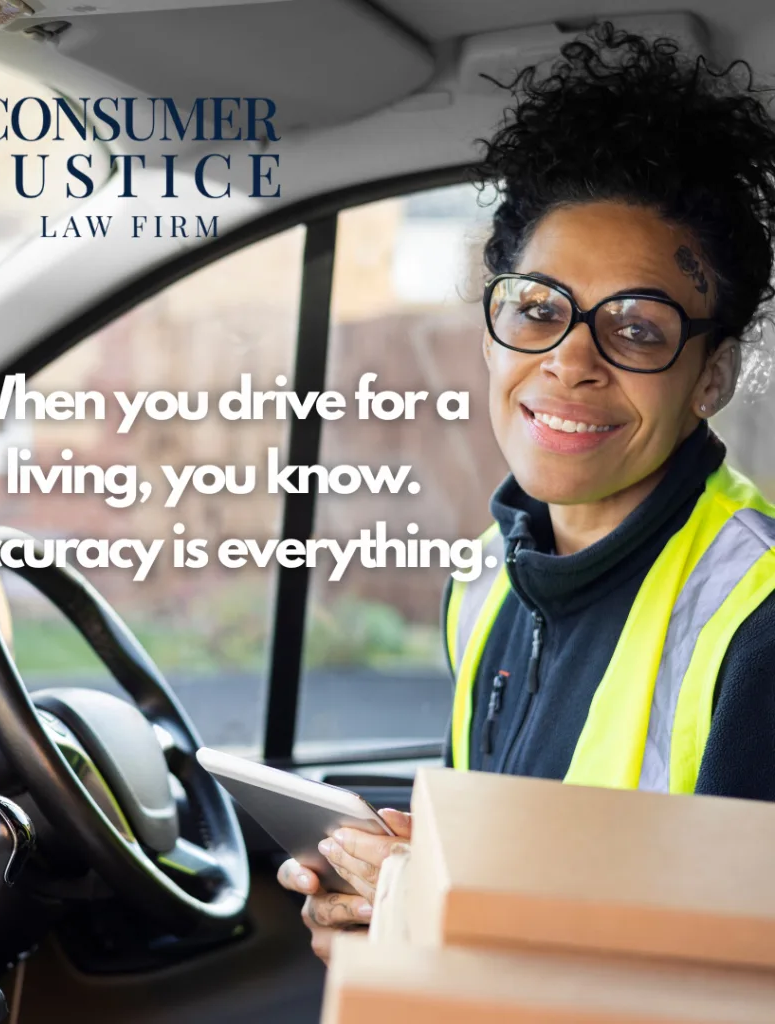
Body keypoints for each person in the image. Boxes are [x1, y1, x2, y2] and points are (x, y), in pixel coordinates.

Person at [279, 23, 775, 964]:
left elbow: (736, 979)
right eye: (539, 309)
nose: (570, 361)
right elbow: (513, 869)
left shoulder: (758, 625)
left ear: (711, 376)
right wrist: (392, 909)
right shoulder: (489, 577)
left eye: (638, 328)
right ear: (492, 328)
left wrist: (429, 929)